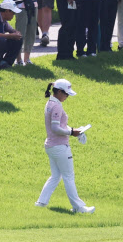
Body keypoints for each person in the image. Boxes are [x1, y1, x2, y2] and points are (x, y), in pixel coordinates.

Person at [35, 79, 95, 214]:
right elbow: (56, 128)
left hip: (51, 145)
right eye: (66, 94)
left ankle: (41, 202)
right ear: (59, 92)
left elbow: (59, 126)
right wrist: (71, 132)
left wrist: (75, 130)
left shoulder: (50, 103)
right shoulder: (56, 106)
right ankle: (79, 208)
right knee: (68, 176)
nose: (67, 97)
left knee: (56, 176)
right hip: (59, 146)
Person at [0, 0, 23, 69]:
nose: (13, 15)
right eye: (13, 13)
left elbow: (10, 29)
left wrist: (16, 33)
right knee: (0, 40)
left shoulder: (4, 19)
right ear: (7, 11)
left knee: (18, 39)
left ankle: (6, 62)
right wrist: (10, 36)